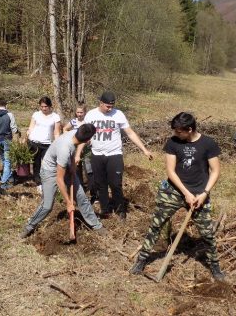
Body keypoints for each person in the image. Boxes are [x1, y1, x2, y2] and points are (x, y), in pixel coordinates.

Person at [130, 112, 224, 280]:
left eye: (179, 131)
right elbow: (171, 172)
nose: (175, 134)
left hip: (199, 194)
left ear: (189, 129)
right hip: (173, 192)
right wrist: (186, 193)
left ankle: (215, 267)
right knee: (156, 225)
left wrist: (204, 193)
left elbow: (215, 171)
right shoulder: (173, 143)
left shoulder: (208, 144)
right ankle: (142, 259)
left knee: (207, 233)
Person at [20, 124, 108, 238]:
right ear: (87, 140)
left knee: (81, 197)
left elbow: (72, 149)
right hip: (50, 172)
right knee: (47, 205)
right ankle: (29, 226)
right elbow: (59, 179)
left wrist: (71, 164)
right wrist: (68, 202)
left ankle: (96, 225)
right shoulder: (64, 149)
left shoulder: (75, 133)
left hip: (64, 165)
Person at [84, 91, 153, 220]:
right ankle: (105, 209)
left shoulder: (118, 114)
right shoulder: (91, 115)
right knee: (100, 184)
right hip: (97, 154)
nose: (110, 109)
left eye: (112, 106)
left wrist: (144, 149)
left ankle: (120, 210)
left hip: (114, 154)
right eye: (107, 106)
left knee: (115, 183)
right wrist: (79, 151)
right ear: (101, 103)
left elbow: (130, 133)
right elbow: (84, 133)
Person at [27, 97, 61, 193]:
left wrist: (57, 144)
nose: (43, 108)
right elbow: (31, 127)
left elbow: (56, 132)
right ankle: (39, 183)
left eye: (45, 106)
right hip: (34, 142)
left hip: (48, 143)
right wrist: (27, 134)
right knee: (36, 163)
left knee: (49, 164)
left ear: (50, 106)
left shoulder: (55, 117)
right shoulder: (36, 115)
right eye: (41, 106)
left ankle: (51, 183)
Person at [63, 104, 96, 200]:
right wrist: (69, 136)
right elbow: (65, 128)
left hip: (86, 150)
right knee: (77, 169)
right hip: (75, 148)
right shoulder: (73, 121)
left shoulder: (88, 122)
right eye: (78, 112)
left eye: (81, 112)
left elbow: (94, 133)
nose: (79, 114)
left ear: (85, 113)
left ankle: (93, 192)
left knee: (89, 170)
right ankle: (80, 190)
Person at [0, 98, 21, 190]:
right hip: (7, 140)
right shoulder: (9, 115)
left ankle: (10, 178)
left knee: (4, 160)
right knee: (7, 161)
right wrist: (18, 133)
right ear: (6, 105)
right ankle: (3, 183)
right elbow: (14, 129)